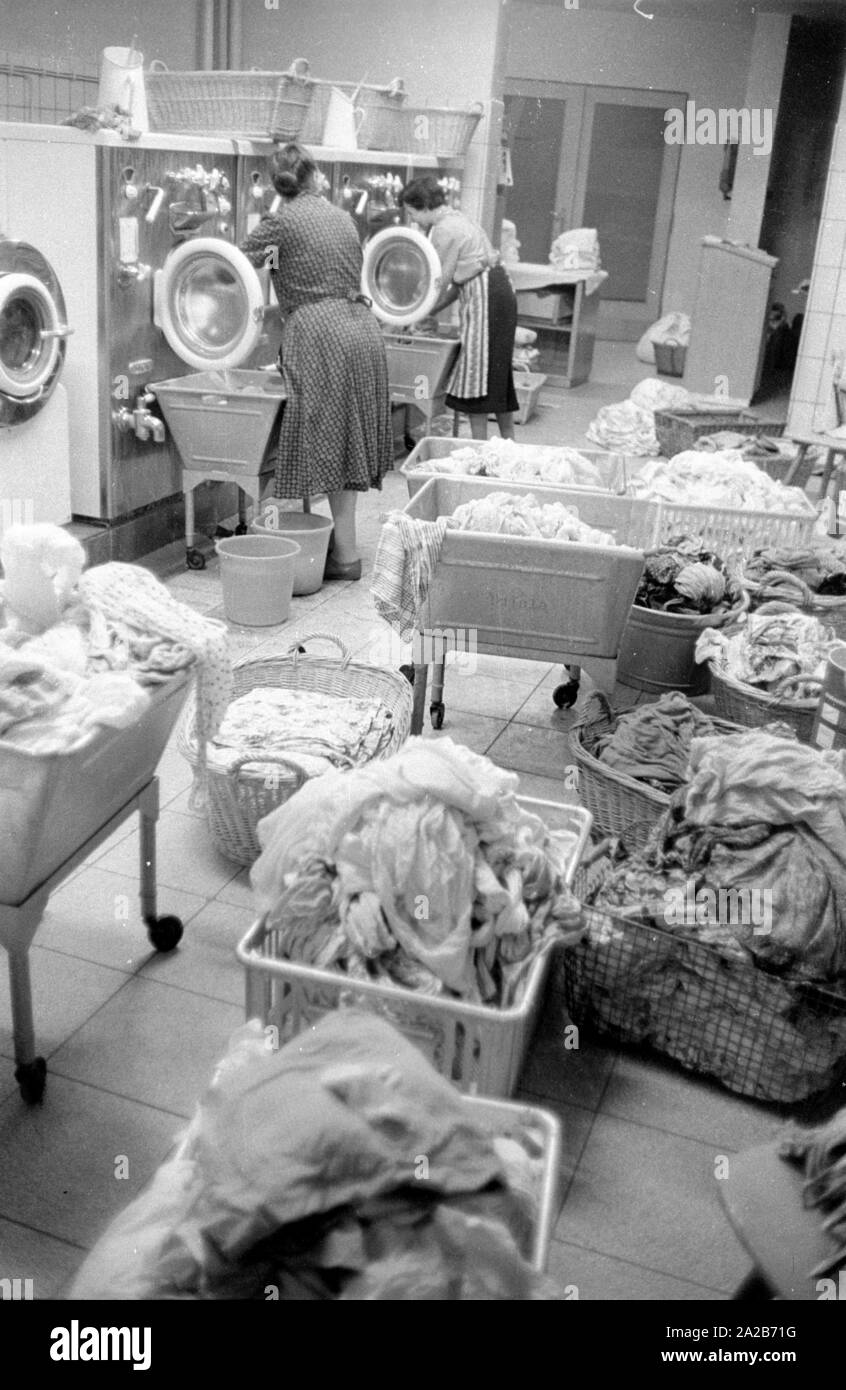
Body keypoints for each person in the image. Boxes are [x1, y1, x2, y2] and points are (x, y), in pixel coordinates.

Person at [240, 143, 393, 580]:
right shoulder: (341, 216)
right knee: (346, 443)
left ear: (279, 184)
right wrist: (278, 265)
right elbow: (304, 263)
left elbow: (243, 261)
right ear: (314, 176)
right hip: (360, 328)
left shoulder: (281, 220)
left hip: (319, 335)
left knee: (310, 440)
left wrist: (269, 264)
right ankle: (344, 552)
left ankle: (268, 543)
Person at [398, 176, 518, 442]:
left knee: (478, 373)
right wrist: (427, 311)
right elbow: (454, 286)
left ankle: (480, 449)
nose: (413, 220)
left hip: (487, 297)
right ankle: (509, 443)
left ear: (425, 206)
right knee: (496, 372)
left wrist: (411, 312)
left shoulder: (444, 229)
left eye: (412, 212)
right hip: (497, 292)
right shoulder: (458, 219)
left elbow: (436, 282)